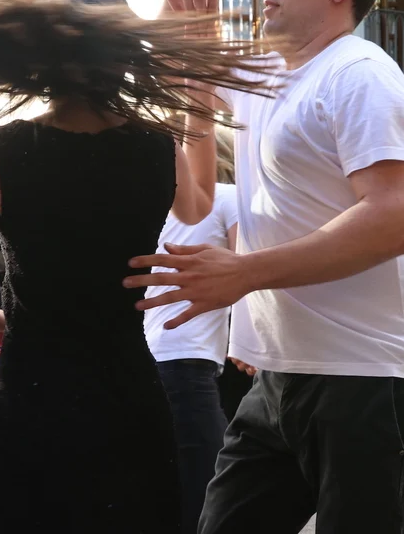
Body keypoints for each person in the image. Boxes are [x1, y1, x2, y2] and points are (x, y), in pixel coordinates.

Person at [0, 0, 271, 533]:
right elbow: (200, 206)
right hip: (130, 407)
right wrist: (196, 85)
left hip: (30, 413)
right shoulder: (157, 149)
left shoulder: (0, 154)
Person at [126, 0, 404, 533]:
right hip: (279, 374)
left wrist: (244, 273)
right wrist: (172, 12)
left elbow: (399, 220)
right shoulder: (263, 72)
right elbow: (164, 83)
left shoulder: (360, 74)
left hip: (373, 376)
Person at [143, 137, 238, 534]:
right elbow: (248, 277)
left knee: (172, 489)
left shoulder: (160, 211)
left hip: (153, 356)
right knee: (209, 497)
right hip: (187, 361)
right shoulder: (229, 198)